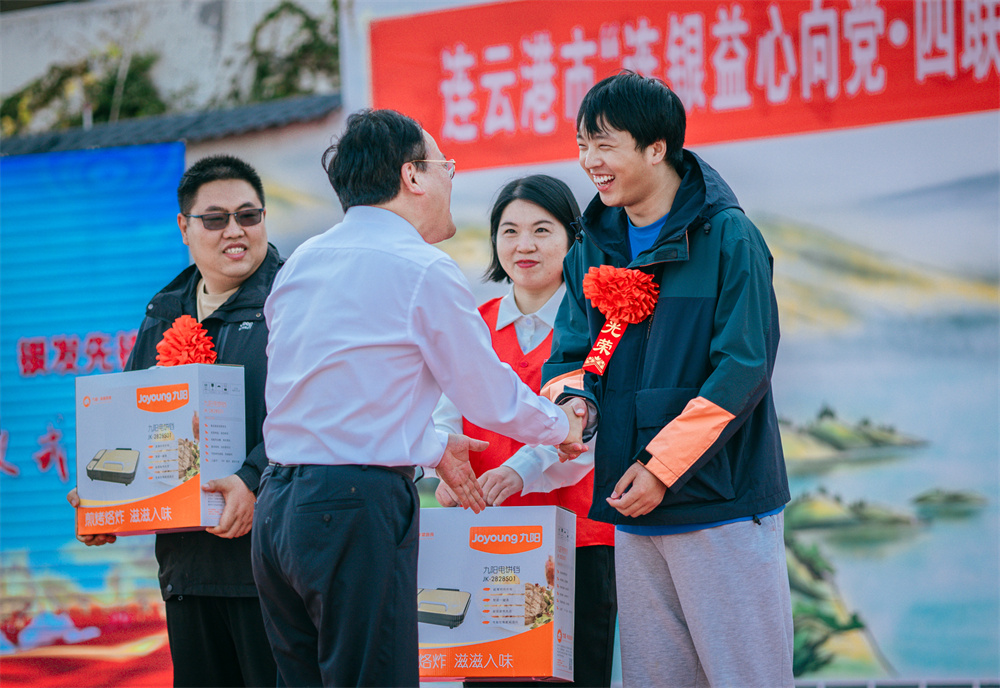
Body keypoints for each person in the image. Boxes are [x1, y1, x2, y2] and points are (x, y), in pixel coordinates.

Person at [251, 108, 587, 688]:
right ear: (413, 176)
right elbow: (486, 395)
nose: (450, 178)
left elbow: (330, 395)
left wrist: (432, 448)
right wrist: (562, 426)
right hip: (353, 510)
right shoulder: (421, 268)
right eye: (444, 166)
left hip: (277, 511)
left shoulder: (302, 260)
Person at [544, 72, 794, 687]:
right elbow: (571, 355)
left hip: (721, 506)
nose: (590, 162)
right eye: (582, 145)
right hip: (634, 511)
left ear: (657, 148)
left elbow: (743, 368)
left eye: (605, 145)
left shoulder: (728, 236)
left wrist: (661, 468)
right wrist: (574, 406)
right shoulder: (593, 245)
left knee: (747, 677)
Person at [67, 155, 281, 687]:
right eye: (215, 219)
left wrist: (253, 480)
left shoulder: (293, 301)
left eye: (248, 216)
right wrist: (104, 500)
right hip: (189, 569)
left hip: (273, 567)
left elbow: (314, 414)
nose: (235, 231)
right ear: (184, 227)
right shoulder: (164, 311)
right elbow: (131, 422)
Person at [433, 175, 617, 688]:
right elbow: (443, 410)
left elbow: (590, 430)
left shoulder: (599, 329)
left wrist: (522, 469)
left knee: (574, 676)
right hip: (487, 537)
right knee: (491, 673)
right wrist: (444, 462)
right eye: (509, 231)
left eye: (542, 229)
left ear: (573, 239)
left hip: (577, 539)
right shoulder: (473, 324)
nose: (524, 245)